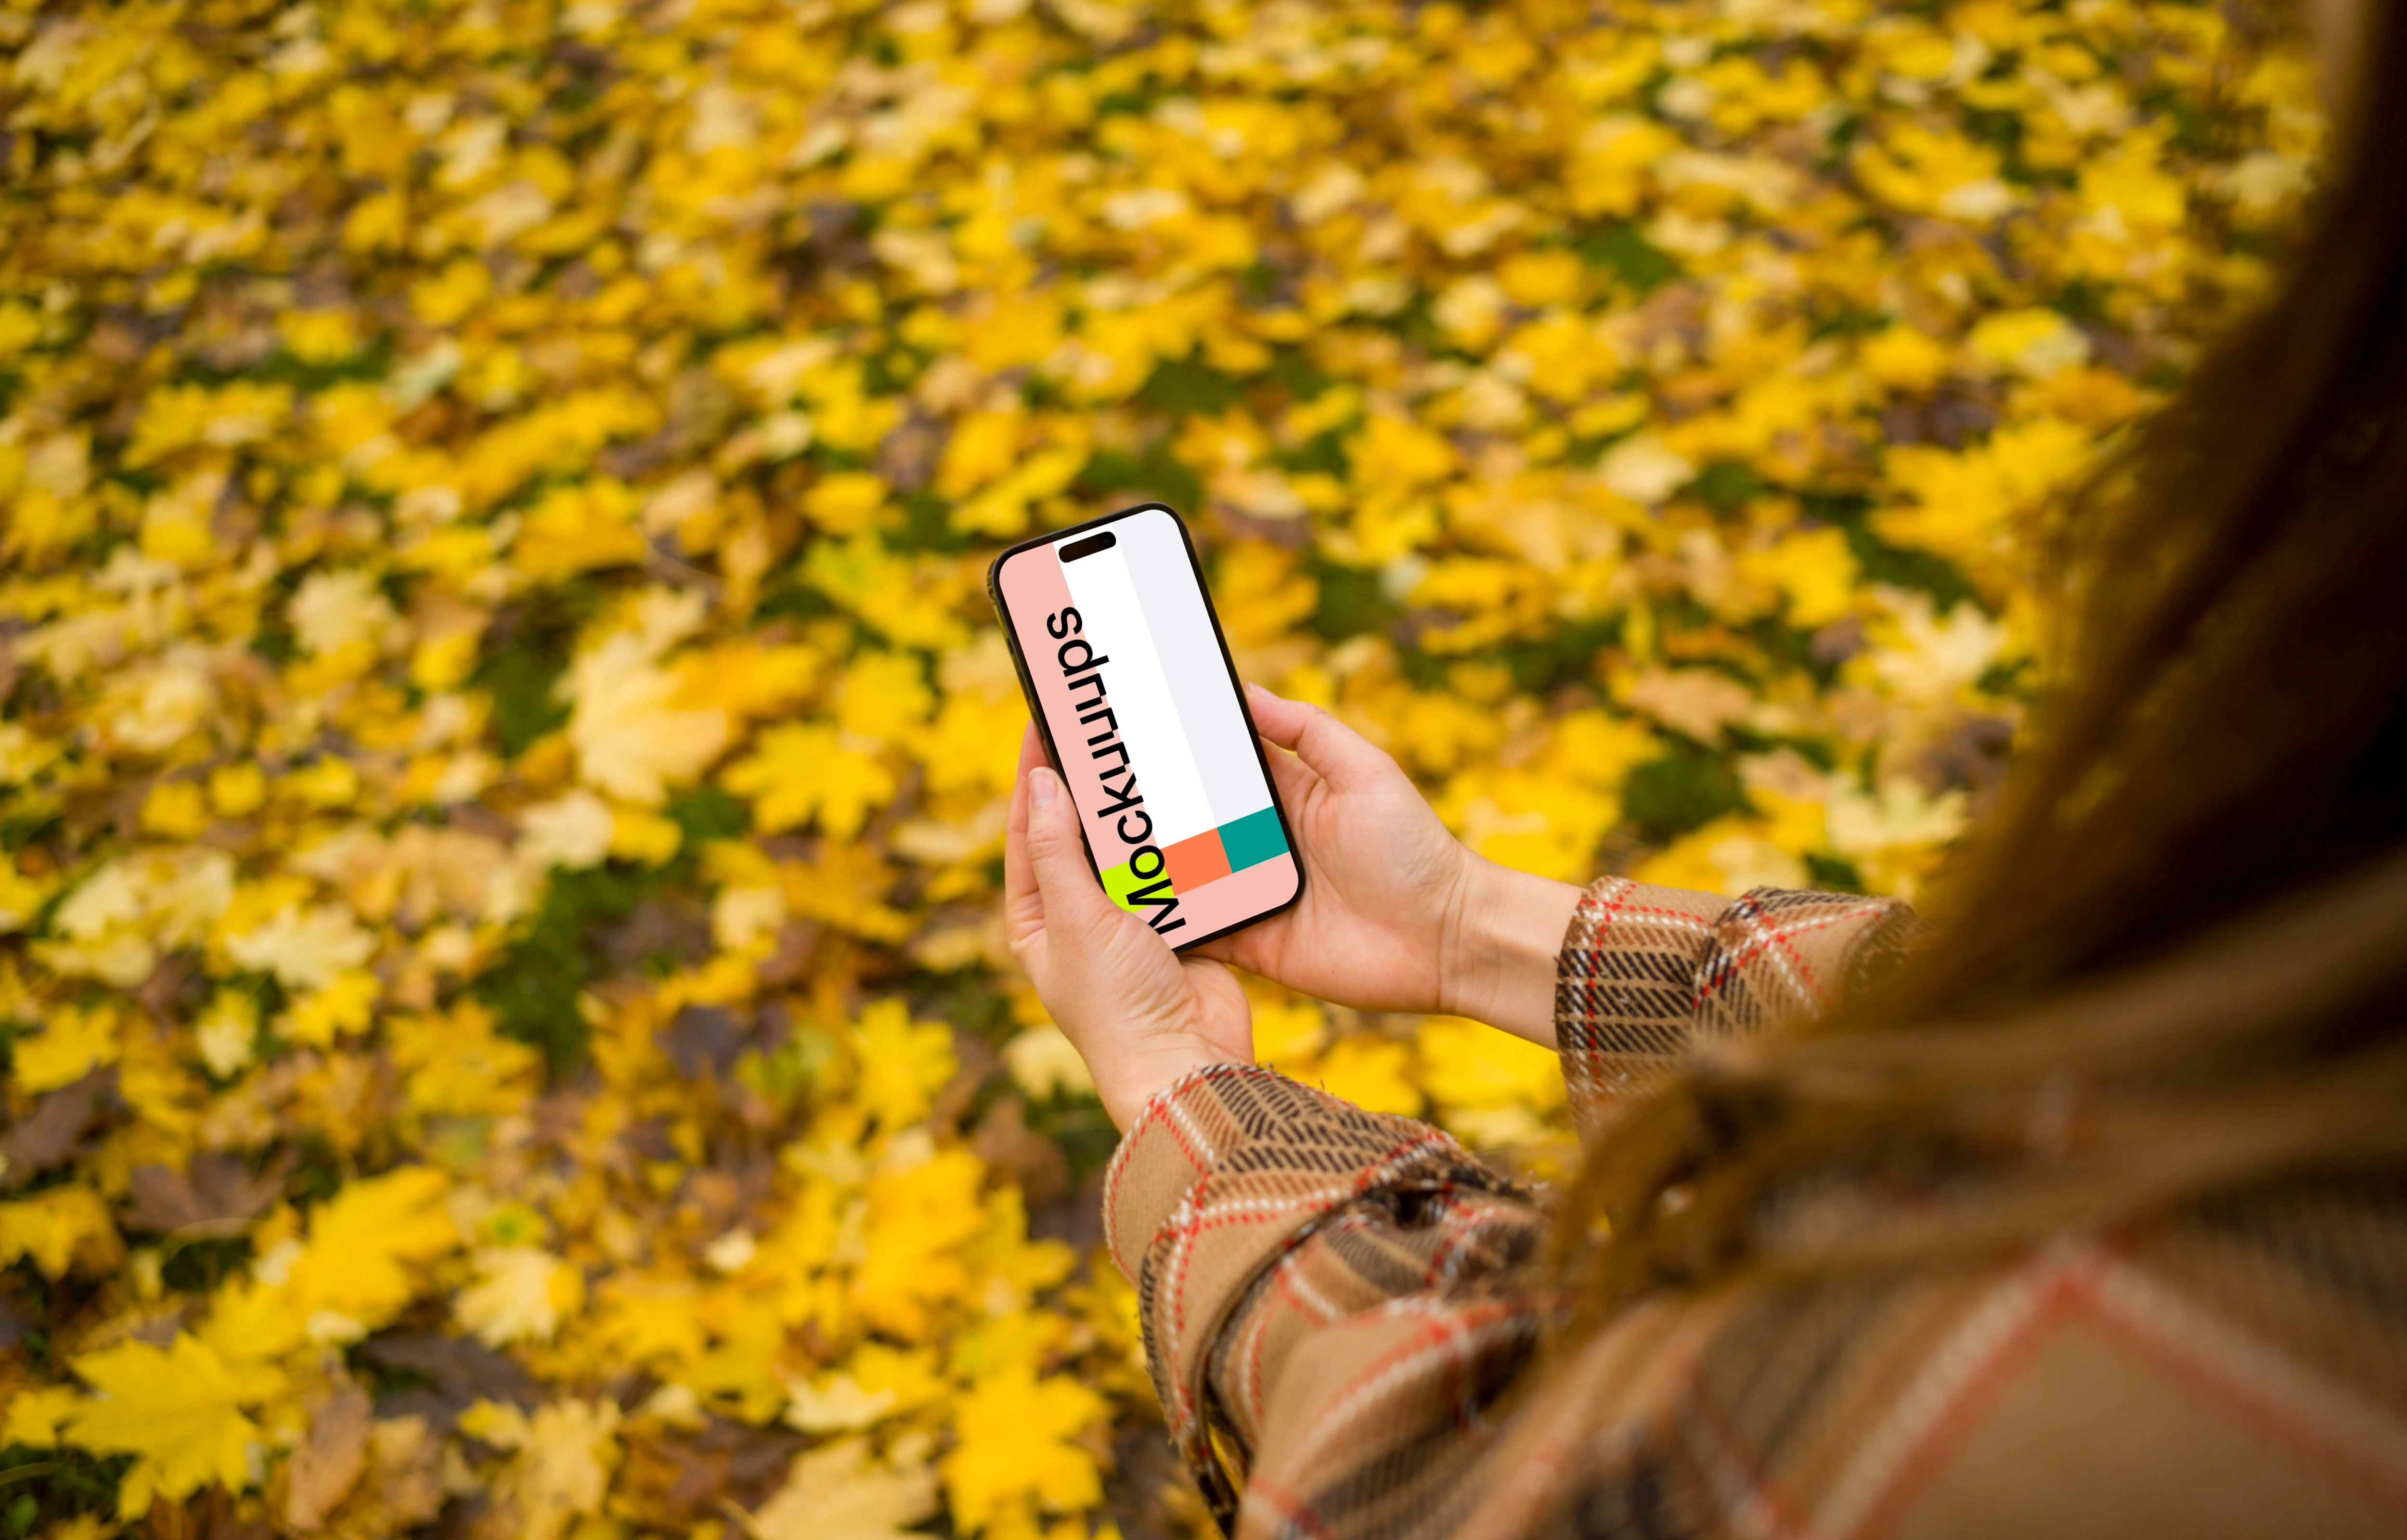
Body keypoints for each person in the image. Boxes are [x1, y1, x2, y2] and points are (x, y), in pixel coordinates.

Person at [1001, 0, 2407, 1533]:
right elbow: (2074, 1032)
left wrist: (1177, 1082)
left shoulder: (2144, 1366)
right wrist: (1470, 927)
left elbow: (1490, 1489)